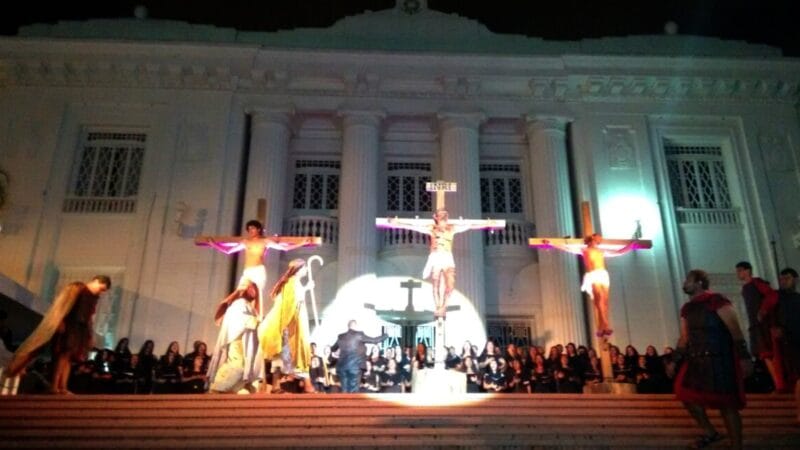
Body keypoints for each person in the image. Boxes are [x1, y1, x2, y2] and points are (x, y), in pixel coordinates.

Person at [674, 269, 751, 450]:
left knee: (727, 405)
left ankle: (736, 446)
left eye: (688, 280)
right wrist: (674, 359)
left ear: (699, 282)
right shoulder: (687, 308)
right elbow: (685, 337)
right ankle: (710, 432)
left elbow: (735, 329)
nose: (684, 283)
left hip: (720, 357)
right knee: (686, 395)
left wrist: (744, 357)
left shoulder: (717, 301)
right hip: (696, 359)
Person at [386, 209, 502, 319]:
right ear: (436, 217)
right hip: (435, 257)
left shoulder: (451, 229)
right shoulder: (431, 229)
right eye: (441, 215)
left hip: (447, 258)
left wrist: (487, 223)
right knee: (435, 284)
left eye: (445, 216)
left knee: (450, 286)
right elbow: (413, 227)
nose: (444, 218)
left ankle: (443, 307)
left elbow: (470, 226)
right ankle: (438, 306)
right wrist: (398, 223)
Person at [6, 275, 111, 394]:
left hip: (79, 329)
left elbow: (89, 317)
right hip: (69, 324)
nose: (101, 292)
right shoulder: (77, 288)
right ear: (96, 281)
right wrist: (59, 322)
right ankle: (55, 386)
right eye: (101, 288)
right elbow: (63, 306)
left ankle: (63, 387)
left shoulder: (93, 298)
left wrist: (89, 334)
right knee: (62, 356)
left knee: (69, 358)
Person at [201, 220, 319, 318]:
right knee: (240, 293)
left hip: (258, 271)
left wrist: (302, 243)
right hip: (247, 272)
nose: (251, 231)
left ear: (258, 229)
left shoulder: (265, 241)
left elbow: (285, 249)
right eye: (249, 229)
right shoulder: (245, 242)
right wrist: (213, 244)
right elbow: (228, 251)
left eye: (253, 228)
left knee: (256, 295)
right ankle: (229, 311)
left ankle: (256, 317)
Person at [541, 233, 636, 337]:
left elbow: (618, 252)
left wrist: (630, 246)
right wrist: (551, 243)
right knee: (598, 299)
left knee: (604, 302)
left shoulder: (601, 251)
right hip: (593, 275)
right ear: (593, 238)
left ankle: (601, 328)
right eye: (598, 237)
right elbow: (567, 248)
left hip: (603, 274)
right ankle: (605, 324)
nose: (600, 238)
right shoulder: (584, 250)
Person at [258, 259, 314, 393]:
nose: (306, 270)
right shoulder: (291, 283)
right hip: (290, 326)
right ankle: (307, 386)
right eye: (305, 267)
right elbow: (290, 304)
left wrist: (305, 288)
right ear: (298, 269)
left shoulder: (292, 282)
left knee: (285, 356)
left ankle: (282, 386)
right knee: (290, 354)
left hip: (293, 324)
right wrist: (307, 289)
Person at [207, 282, 263, 394]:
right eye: (251, 288)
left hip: (247, 344)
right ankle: (217, 387)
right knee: (238, 366)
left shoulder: (248, 306)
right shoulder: (239, 304)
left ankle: (232, 389)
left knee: (245, 369)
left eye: (255, 289)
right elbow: (241, 321)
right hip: (238, 341)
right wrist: (256, 321)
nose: (254, 292)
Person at [735, 261, 782, 392]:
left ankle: (779, 384)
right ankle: (776, 384)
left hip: (762, 325)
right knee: (763, 355)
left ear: (747, 271)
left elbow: (772, 295)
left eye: (740, 270)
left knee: (768, 354)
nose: (738, 274)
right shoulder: (746, 288)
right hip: (755, 325)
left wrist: (763, 310)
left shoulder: (756, 283)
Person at [330, 320, 386, 393]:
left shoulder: (341, 337)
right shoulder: (359, 335)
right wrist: (385, 335)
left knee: (345, 390)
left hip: (342, 367)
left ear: (348, 326)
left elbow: (333, 348)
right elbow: (374, 340)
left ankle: (345, 403)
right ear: (355, 326)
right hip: (355, 367)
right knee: (353, 391)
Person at [775, 267, 800, 397]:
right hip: (787, 340)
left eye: (787, 278)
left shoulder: (797, 298)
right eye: (781, 279)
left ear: (795, 279)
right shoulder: (778, 298)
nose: (783, 282)